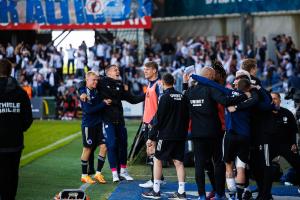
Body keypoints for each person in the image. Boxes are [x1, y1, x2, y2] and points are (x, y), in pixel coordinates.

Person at [184, 67, 247, 200]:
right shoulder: (211, 89)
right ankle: (219, 194)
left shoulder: (190, 91)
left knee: (199, 165)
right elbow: (225, 101)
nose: (213, 77)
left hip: (197, 133)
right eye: (212, 75)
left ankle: (201, 195)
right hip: (214, 132)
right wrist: (243, 97)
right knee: (218, 163)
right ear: (210, 76)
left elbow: (184, 104)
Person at [79, 65, 144, 182]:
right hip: (104, 121)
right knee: (106, 146)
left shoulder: (119, 85)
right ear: (108, 73)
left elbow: (133, 99)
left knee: (121, 145)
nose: (118, 71)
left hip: (118, 120)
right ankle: (109, 173)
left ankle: (119, 171)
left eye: (118, 69)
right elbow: (84, 81)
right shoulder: (101, 82)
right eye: (115, 70)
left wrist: (147, 95)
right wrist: (82, 91)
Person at [141, 73, 189, 199]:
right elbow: (186, 117)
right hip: (180, 135)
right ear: (173, 82)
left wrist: (151, 137)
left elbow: (158, 119)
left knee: (157, 159)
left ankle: (156, 191)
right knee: (179, 162)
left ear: (162, 83)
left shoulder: (165, 97)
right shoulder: (182, 96)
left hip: (166, 135)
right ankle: (181, 192)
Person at [0, 59, 33, 200]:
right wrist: (17, 129)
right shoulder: (20, 93)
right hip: (15, 143)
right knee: (12, 176)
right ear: (10, 71)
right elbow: (28, 119)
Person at [79, 71, 111, 184]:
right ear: (87, 80)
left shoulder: (95, 90)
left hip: (98, 124)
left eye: (96, 80)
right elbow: (89, 110)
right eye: (93, 80)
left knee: (104, 147)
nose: (96, 82)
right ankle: (84, 175)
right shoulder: (85, 94)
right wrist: (103, 103)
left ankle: (98, 173)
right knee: (87, 149)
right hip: (89, 125)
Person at [139, 61, 165, 189]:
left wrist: (153, 123)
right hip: (147, 122)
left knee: (152, 151)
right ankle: (160, 178)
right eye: (144, 69)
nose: (145, 71)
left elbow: (161, 107)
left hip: (153, 124)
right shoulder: (149, 84)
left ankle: (154, 179)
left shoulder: (159, 85)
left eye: (147, 69)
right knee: (151, 151)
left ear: (154, 70)